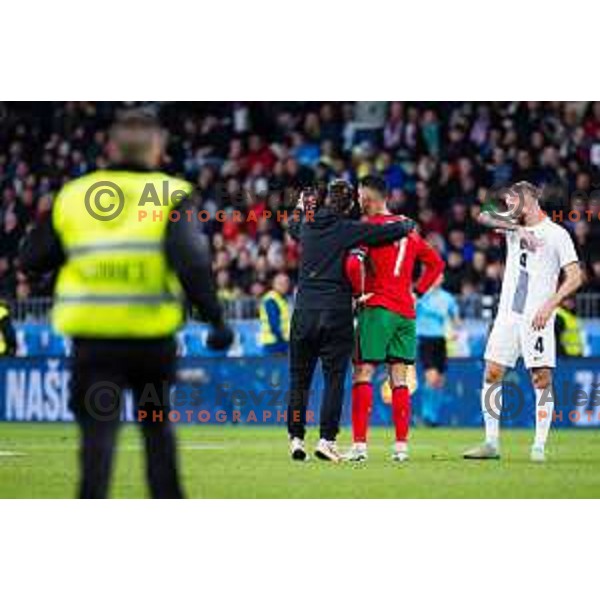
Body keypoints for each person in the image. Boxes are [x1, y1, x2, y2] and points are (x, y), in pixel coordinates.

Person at [20, 110, 234, 498]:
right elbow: (192, 260)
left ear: (110, 148)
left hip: (94, 345)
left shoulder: (76, 195)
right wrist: (216, 320)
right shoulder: (170, 193)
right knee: (156, 432)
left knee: (98, 441)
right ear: (158, 150)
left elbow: (32, 258)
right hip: (150, 347)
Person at [286, 179, 416, 462]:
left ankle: (296, 439)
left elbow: (291, 226)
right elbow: (383, 234)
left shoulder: (307, 224)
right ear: (350, 205)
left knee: (299, 381)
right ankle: (326, 440)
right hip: (336, 313)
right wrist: (407, 225)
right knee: (334, 381)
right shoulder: (348, 229)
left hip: (304, 312)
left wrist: (300, 208)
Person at [464, 181, 583, 462]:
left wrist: (550, 305)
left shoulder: (557, 234)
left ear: (527, 201)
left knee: (541, 379)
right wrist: (516, 228)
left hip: (537, 317)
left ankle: (538, 446)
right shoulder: (512, 227)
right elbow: (482, 215)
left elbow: (576, 277)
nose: (507, 208)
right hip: (507, 315)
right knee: (492, 373)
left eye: (511, 203)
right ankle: (491, 442)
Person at [344, 175, 444, 462]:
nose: (358, 201)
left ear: (370, 198)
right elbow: (436, 264)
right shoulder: (408, 229)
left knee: (363, 373)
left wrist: (358, 293)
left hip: (377, 309)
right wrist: (417, 292)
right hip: (406, 313)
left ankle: (360, 447)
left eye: (360, 196)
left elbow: (353, 264)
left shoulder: (368, 229)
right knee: (399, 378)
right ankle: (401, 447)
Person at [416, 275, 460, 426]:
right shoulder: (420, 294)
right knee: (432, 378)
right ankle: (425, 414)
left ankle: (432, 418)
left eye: (439, 276)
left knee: (440, 382)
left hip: (440, 340)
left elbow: (455, 316)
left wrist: (455, 329)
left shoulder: (447, 297)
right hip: (425, 339)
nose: (437, 278)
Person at [259, 272, 291, 355]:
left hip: (280, 341)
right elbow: (274, 323)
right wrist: (282, 341)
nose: (285, 286)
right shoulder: (271, 299)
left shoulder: (282, 299)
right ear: (274, 284)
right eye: (281, 283)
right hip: (274, 342)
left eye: (286, 283)